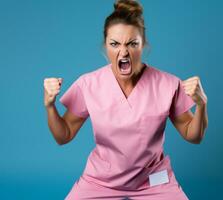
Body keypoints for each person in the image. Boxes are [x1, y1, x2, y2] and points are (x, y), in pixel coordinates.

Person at [43, 0, 208, 199]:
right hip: (100, 181)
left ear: (143, 45)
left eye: (132, 43)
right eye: (115, 44)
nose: (123, 52)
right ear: (105, 46)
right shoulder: (89, 84)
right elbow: (64, 135)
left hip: (153, 181)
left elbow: (193, 136)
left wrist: (201, 105)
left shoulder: (168, 84)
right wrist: (50, 105)